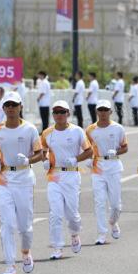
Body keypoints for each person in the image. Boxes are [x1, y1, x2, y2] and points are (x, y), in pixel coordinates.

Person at [0, 91, 43, 274]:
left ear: (20, 107)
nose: (11, 108)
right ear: (3, 108)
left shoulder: (30, 129)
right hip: (4, 181)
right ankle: (10, 266)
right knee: (7, 224)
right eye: (8, 105)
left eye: (14, 105)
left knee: (25, 227)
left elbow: (40, 154)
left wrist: (27, 160)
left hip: (24, 179)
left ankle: (26, 251)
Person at [41, 100, 93, 259]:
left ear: (68, 114)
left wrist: (76, 159)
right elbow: (43, 151)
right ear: (53, 115)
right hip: (54, 175)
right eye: (56, 112)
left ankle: (75, 233)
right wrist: (45, 160)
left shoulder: (77, 131)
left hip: (71, 175)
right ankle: (57, 247)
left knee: (72, 214)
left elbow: (89, 151)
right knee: (55, 213)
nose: (59, 115)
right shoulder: (47, 133)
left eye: (62, 112)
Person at [86, 99, 128, 245]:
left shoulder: (118, 128)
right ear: (96, 111)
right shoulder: (90, 130)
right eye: (100, 110)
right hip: (98, 167)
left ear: (110, 112)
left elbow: (125, 147)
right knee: (99, 202)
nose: (103, 113)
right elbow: (86, 148)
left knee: (116, 204)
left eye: (106, 110)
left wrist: (116, 151)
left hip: (114, 166)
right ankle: (101, 233)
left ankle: (113, 221)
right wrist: (88, 159)